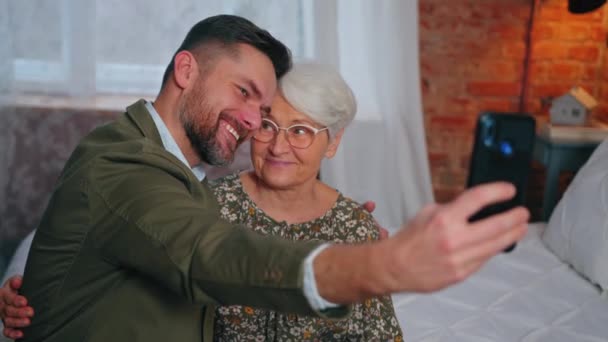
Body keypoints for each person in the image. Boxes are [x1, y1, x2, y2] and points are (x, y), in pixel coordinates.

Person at [0, 14, 529, 342]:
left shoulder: (185, 174)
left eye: (296, 127)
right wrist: (383, 263)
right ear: (187, 71)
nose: (258, 126)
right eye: (247, 96)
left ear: (333, 141)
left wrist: (41, 280)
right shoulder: (134, 166)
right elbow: (205, 253)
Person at [2, 63, 404, 341]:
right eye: (267, 125)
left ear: (333, 142)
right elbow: (102, 245)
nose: (279, 145)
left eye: (300, 130)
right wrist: (23, 288)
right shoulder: (203, 202)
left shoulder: (355, 228)